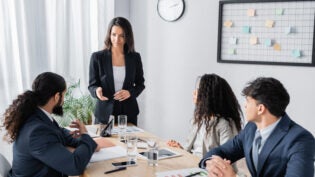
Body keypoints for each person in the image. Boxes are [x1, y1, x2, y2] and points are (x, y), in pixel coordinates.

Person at [199, 77, 315, 177]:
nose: (244, 105)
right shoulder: (251, 128)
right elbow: (223, 150)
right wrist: (211, 163)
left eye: (248, 101)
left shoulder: (301, 140)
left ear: (260, 109)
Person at [2, 72, 98, 177]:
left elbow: (59, 132)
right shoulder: (37, 131)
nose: (64, 100)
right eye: (64, 95)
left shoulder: (37, 116)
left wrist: (83, 140)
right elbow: (75, 167)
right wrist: (85, 137)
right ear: (57, 96)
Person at [167, 74, 243, 158]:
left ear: (208, 96)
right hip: (194, 165)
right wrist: (181, 149)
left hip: (210, 168)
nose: (194, 92)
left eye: (198, 90)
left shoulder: (223, 124)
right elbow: (194, 151)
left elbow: (227, 157)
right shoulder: (198, 119)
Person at [88, 17, 145, 126]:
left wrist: (130, 93)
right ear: (109, 34)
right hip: (104, 113)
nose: (117, 39)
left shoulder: (135, 57)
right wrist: (97, 91)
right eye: (114, 34)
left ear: (127, 37)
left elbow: (140, 84)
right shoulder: (97, 57)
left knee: (128, 143)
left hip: (129, 114)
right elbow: (92, 85)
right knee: (104, 143)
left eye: (122, 36)